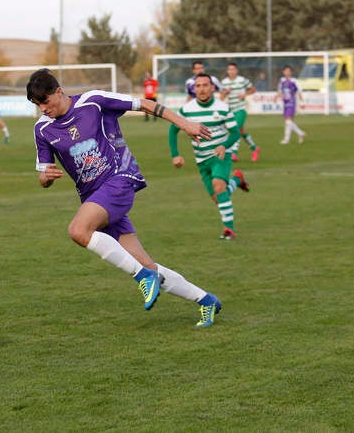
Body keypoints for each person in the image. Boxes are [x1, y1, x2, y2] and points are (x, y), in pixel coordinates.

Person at [27, 68, 223, 328]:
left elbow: (144, 104)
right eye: (37, 104)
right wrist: (46, 178)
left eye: (45, 101)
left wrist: (185, 125)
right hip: (94, 198)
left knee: (78, 230)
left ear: (58, 91)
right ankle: (206, 300)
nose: (43, 108)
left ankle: (141, 277)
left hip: (119, 179)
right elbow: (43, 175)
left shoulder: (93, 101)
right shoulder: (42, 129)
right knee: (146, 264)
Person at [169, 73, 249, 241]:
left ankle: (229, 230)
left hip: (221, 156)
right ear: (194, 89)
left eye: (205, 85)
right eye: (198, 86)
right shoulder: (187, 110)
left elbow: (235, 133)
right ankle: (237, 180)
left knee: (219, 187)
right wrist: (175, 155)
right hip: (201, 160)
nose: (202, 89)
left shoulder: (223, 108)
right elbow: (173, 130)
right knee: (218, 198)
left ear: (212, 88)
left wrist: (224, 146)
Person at [220, 61, 260, 162]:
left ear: (236, 70)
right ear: (227, 71)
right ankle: (254, 148)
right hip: (231, 110)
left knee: (236, 129)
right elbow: (221, 97)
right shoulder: (224, 82)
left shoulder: (242, 80)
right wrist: (226, 92)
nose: (231, 71)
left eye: (233, 69)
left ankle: (234, 153)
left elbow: (252, 89)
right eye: (229, 70)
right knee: (241, 131)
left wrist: (244, 94)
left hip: (241, 109)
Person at [275, 65, 306, 144]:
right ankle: (295, 135)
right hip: (285, 103)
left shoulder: (294, 81)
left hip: (291, 102)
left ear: (291, 72)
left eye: (288, 71)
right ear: (283, 72)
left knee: (288, 121)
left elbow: (299, 92)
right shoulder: (282, 80)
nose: (287, 72)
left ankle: (291, 137)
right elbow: (280, 90)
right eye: (286, 71)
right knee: (287, 122)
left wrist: (302, 102)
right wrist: (276, 97)